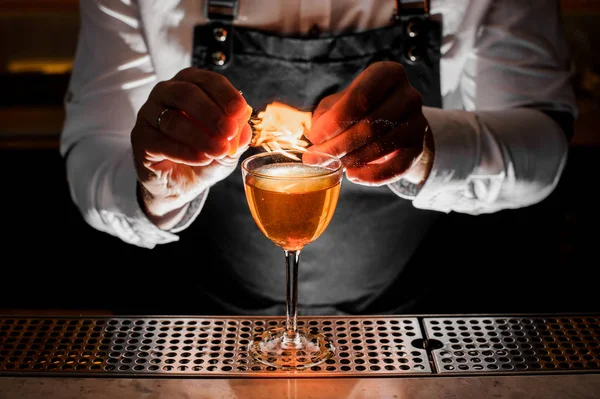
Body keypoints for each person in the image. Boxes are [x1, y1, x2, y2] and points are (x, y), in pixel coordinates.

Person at [60, 0, 577, 315]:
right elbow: (91, 149)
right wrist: (155, 188)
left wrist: (424, 148)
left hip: (412, 324)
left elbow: (543, 144)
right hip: (195, 322)